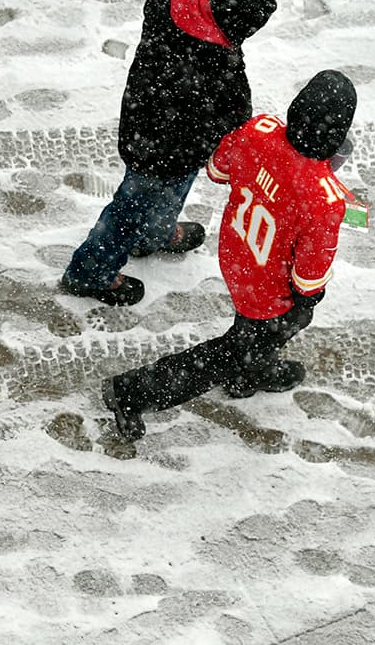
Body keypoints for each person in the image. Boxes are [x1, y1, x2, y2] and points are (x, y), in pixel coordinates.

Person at [102, 70, 358, 442]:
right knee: (239, 347)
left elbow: (218, 170)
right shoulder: (324, 198)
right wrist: (307, 300)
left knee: (254, 337)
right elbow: (308, 277)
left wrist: (266, 175)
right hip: (268, 287)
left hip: (237, 253)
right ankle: (131, 392)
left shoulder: (260, 130)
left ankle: (250, 373)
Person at [60, 0, 278, 306]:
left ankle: (154, 234)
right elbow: (231, 109)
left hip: (146, 127)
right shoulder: (211, 59)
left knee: (166, 192)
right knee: (130, 210)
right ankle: (90, 272)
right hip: (166, 147)